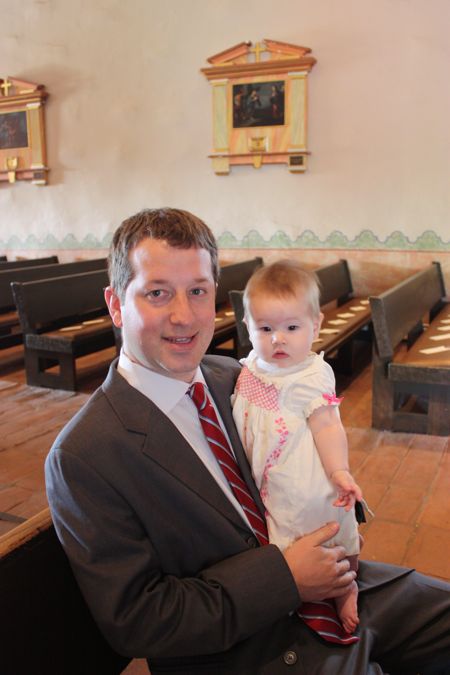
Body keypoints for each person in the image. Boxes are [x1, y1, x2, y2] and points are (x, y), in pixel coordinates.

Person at [45, 207, 450, 675]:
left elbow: (298, 442)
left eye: (197, 291)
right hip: (245, 646)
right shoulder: (86, 455)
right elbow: (138, 620)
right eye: (157, 293)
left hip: (336, 583)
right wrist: (286, 579)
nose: (183, 315)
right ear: (116, 304)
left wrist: (335, 502)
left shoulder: (234, 375)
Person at [231, 260, 363, 635]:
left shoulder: (310, 374)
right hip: (270, 481)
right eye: (265, 328)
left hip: (307, 477)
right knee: (284, 542)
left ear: (315, 325)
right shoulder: (252, 366)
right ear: (248, 327)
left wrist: (339, 471)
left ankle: (346, 586)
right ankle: (299, 594)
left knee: (333, 531)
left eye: (292, 327)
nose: (278, 339)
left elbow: (327, 427)